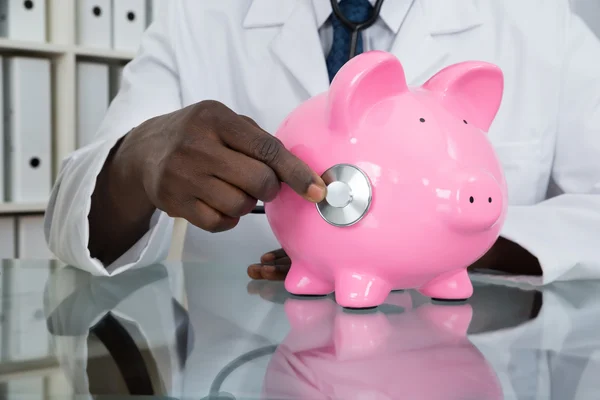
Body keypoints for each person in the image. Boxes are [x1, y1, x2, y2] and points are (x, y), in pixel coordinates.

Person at [45, 0, 600, 284]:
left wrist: (447, 247)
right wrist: (137, 160)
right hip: (246, 363)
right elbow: (69, 221)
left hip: (475, 365)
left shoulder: (539, 18)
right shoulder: (200, 12)